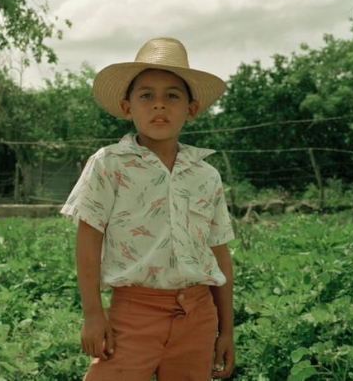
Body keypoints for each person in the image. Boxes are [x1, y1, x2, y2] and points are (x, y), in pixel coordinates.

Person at [61, 37, 236, 380]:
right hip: (133, 313)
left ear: (191, 109)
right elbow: (88, 240)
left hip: (198, 316)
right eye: (146, 96)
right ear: (128, 108)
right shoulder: (109, 164)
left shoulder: (206, 175)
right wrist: (93, 315)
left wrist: (226, 330)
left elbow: (220, 255)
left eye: (172, 95)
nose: (159, 105)